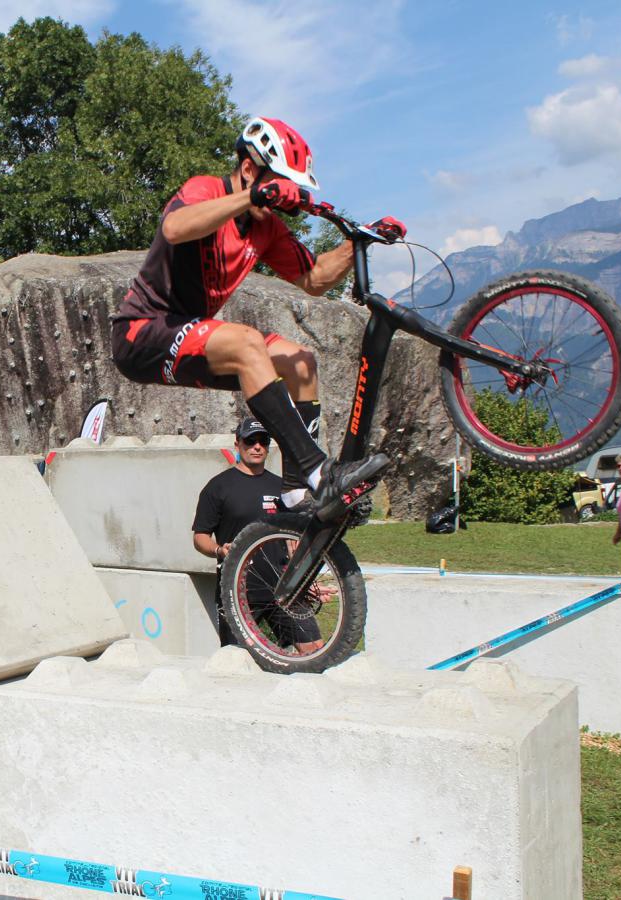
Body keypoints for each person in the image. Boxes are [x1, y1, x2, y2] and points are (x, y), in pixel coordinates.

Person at [111, 116, 405, 522]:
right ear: (249, 170)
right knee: (247, 342)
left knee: (300, 361)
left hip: (190, 334)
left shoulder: (266, 229)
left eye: (291, 190)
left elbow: (316, 278)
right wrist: (252, 197)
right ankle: (319, 471)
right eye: (280, 185)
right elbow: (175, 228)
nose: (287, 199)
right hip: (141, 333)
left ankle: (297, 492)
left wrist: (358, 242)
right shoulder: (207, 190)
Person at [192, 418, 322, 654]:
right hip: (237, 590)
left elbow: (294, 536)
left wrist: (304, 576)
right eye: (250, 441)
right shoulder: (218, 487)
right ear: (237, 444)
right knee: (237, 661)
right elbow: (200, 537)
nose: (257, 446)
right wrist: (219, 550)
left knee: (315, 651)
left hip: (283, 588)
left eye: (263, 441)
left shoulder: (282, 487)